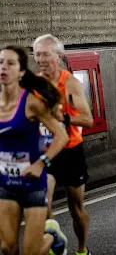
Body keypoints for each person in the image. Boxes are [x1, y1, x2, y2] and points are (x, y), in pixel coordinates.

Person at [0, 45, 69, 255]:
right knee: (7, 247)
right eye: (0, 62)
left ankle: (53, 237)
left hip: (32, 185)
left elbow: (61, 136)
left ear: (21, 71)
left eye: (10, 63)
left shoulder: (31, 102)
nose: (3, 67)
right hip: (5, 183)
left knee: (32, 252)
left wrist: (42, 163)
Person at [33, 35, 94, 255]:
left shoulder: (70, 83)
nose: (40, 59)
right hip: (45, 152)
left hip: (71, 152)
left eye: (45, 54)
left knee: (76, 210)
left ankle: (82, 248)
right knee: (41, 204)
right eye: (37, 54)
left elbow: (88, 119)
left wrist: (63, 118)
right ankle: (56, 241)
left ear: (59, 56)